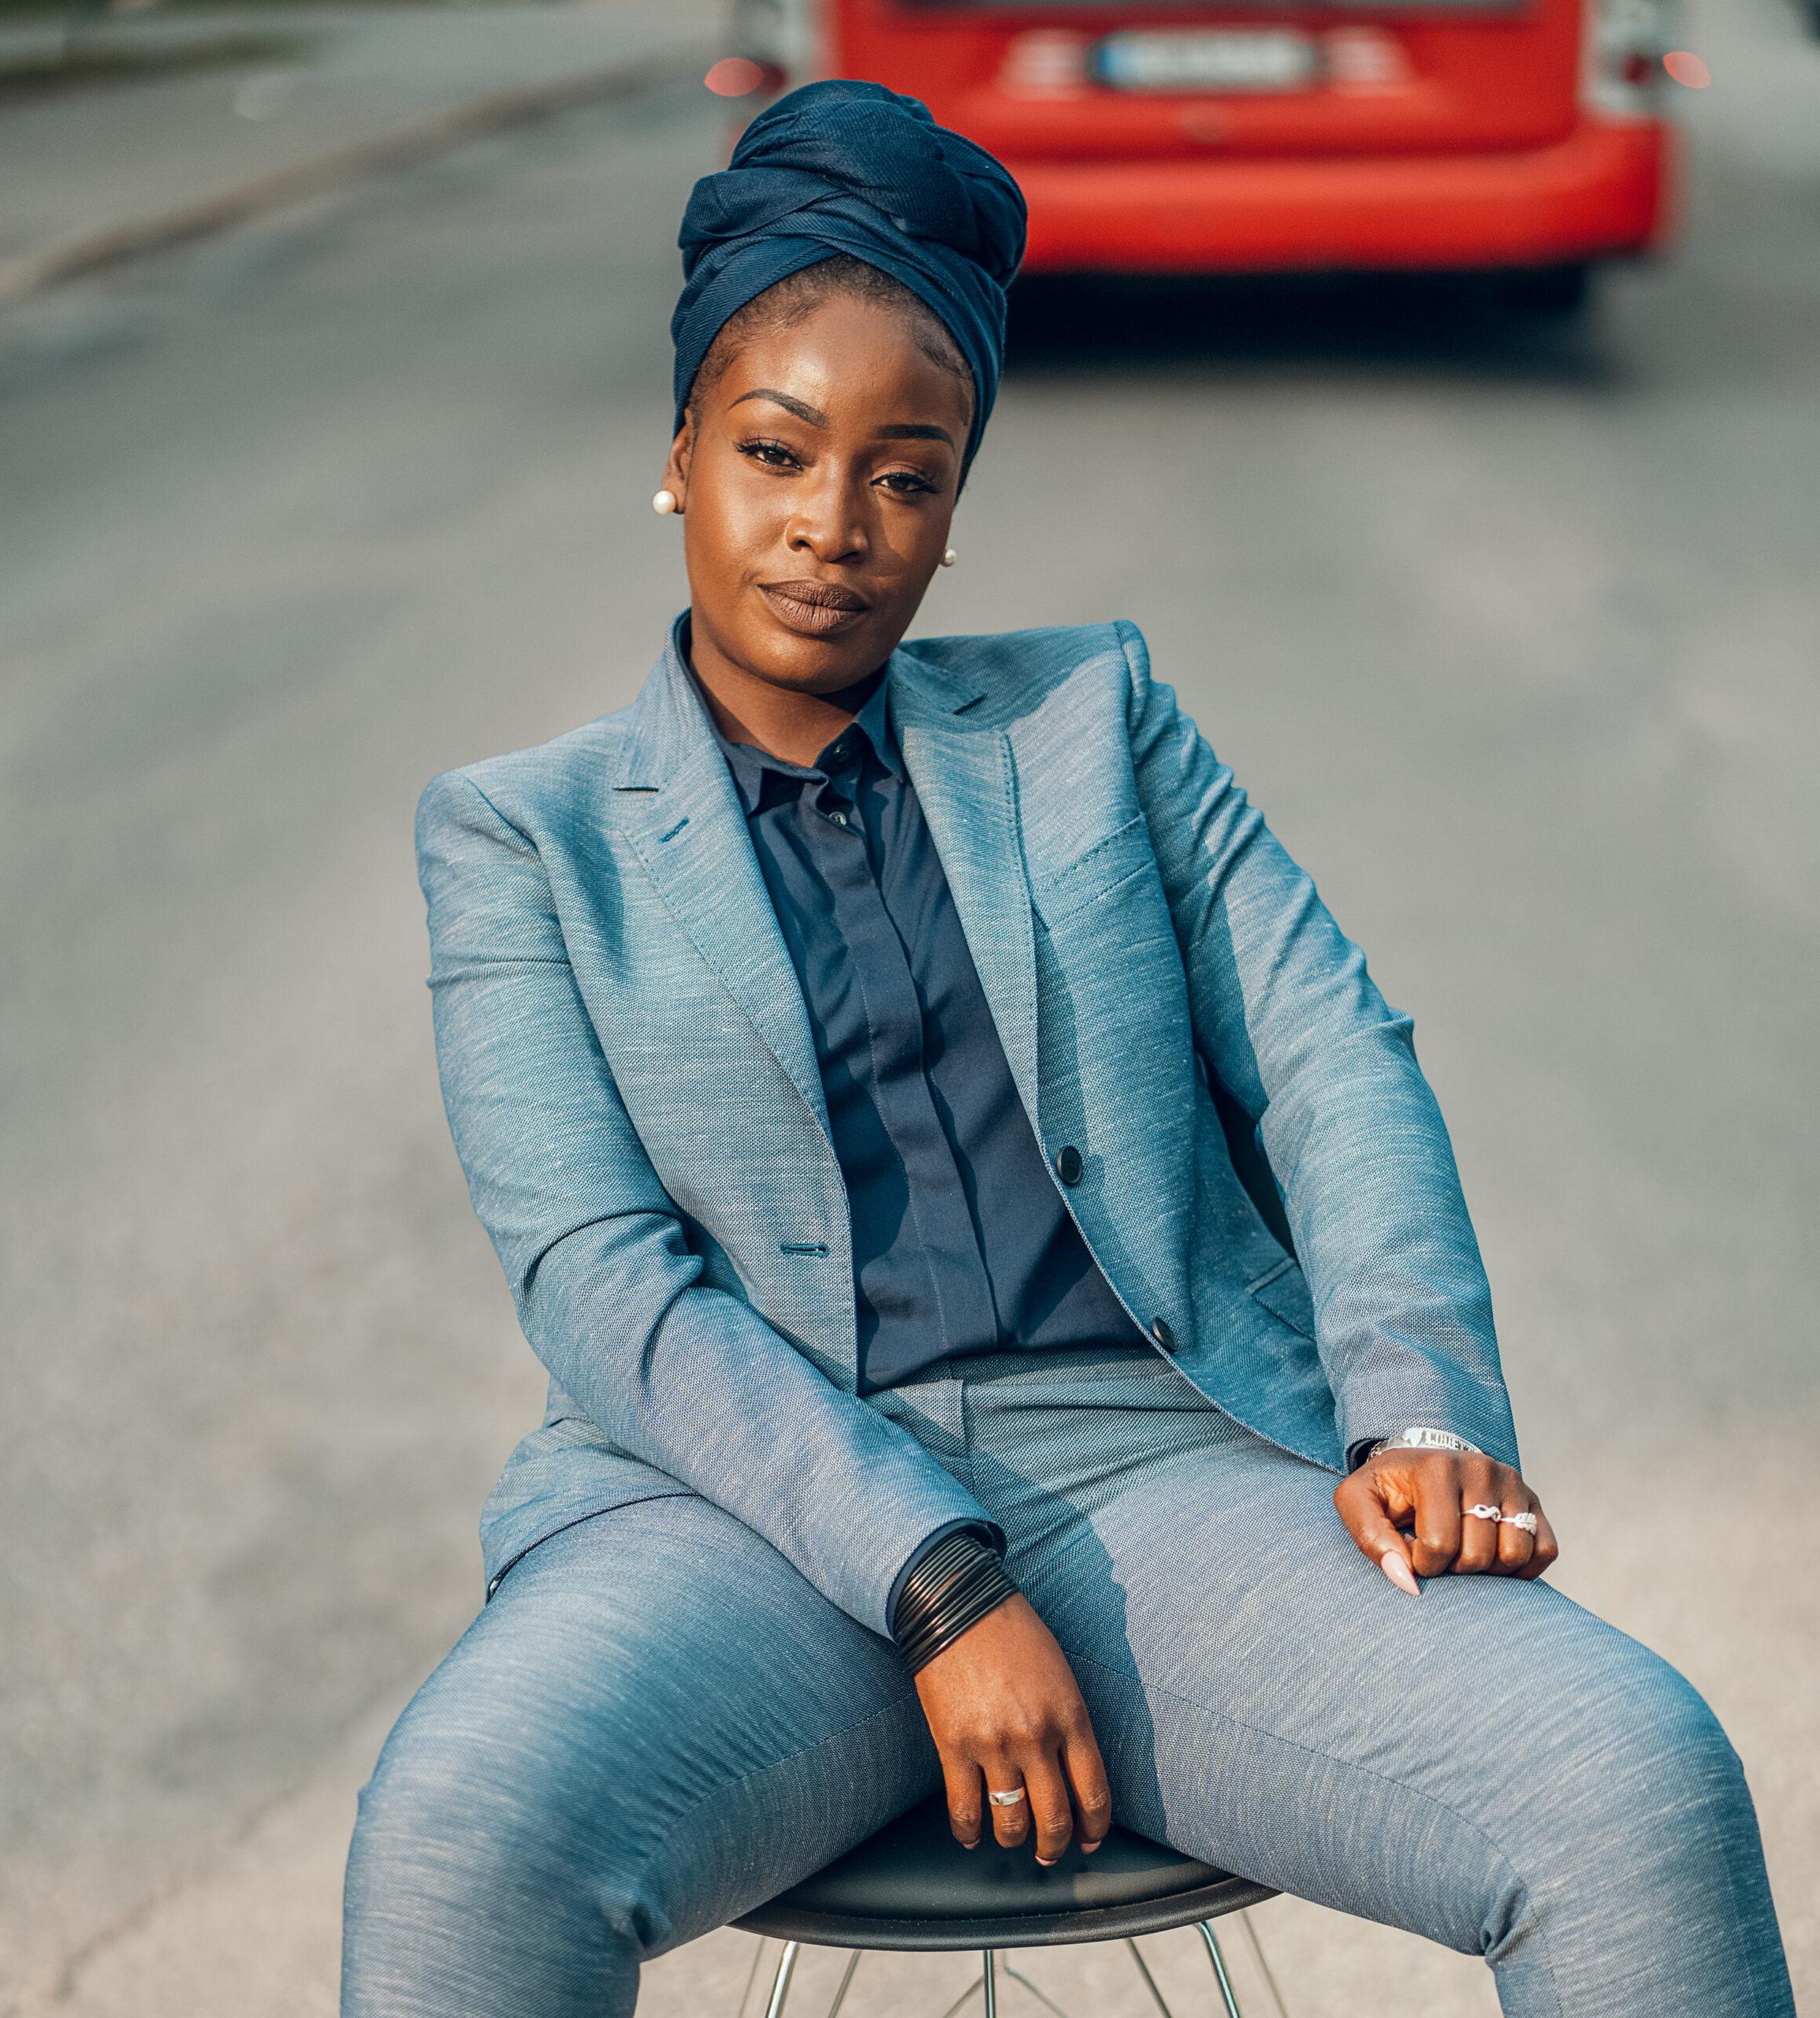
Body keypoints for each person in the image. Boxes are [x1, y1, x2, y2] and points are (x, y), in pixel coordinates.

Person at [341, 79, 1794, 2018]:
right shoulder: (523, 835)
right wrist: (939, 1582)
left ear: (953, 514)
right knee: (461, 1833)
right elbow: (605, 1281)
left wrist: (1422, 1407)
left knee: (1633, 1778)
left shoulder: (1096, 723)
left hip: (1164, 1477)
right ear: (680, 457)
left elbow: (1332, 1045)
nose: (831, 528)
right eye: (776, 451)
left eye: (904, 474)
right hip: (739, 1520)